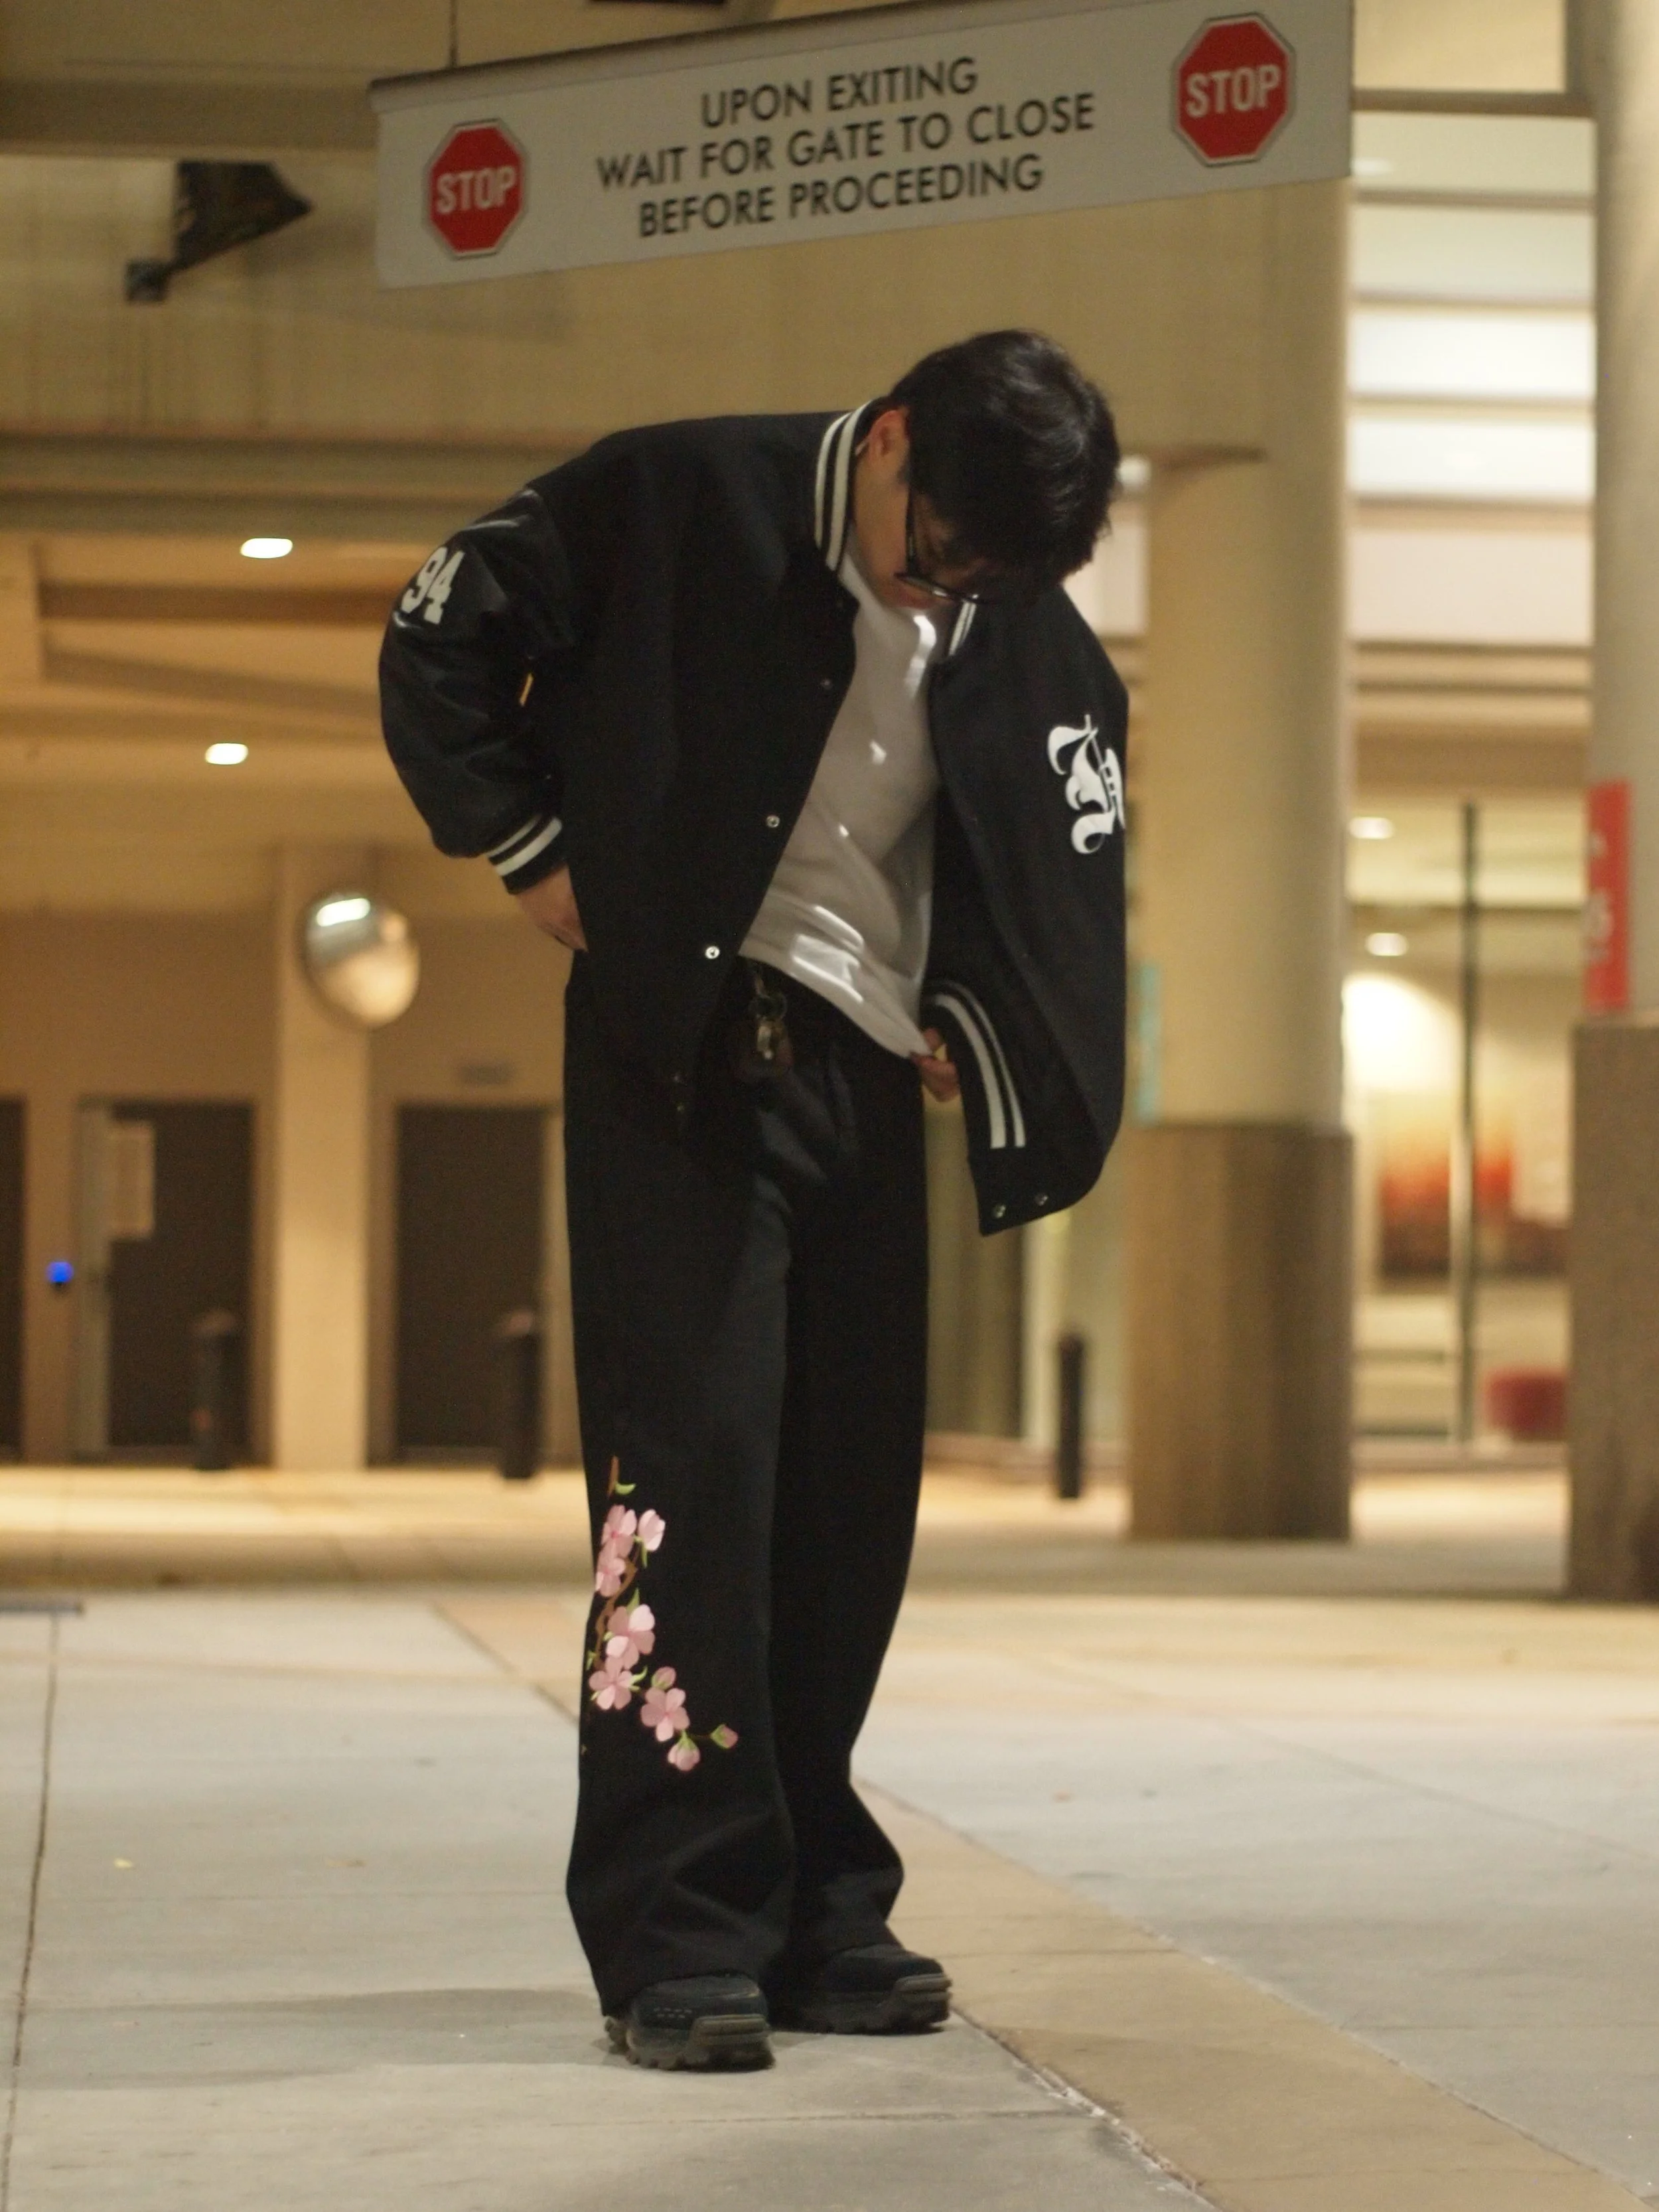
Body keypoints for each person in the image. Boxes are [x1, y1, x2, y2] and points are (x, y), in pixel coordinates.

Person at [380, 329, 1127, 2071]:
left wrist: (976, 1017)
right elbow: (438, 625)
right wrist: (525, 844)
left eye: (981, 578)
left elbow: (1042, 842)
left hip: (863, 1078)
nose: (942, 591)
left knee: (848, 1500)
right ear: (882, 441)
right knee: (688, 1481)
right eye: (932, 547)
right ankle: (674, 1929)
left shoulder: (1017, 625)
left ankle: (816, 1909)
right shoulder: (675, 494)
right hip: (684, 1063)